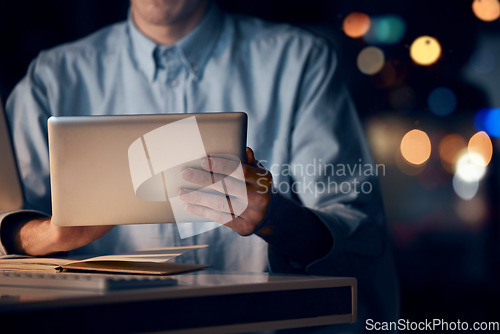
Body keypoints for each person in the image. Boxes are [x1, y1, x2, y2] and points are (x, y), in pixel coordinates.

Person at [0, 0, 398, 332]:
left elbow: (361, 241)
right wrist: (44, 236)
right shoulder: (50, 79)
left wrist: (274, 217)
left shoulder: (299, 61)